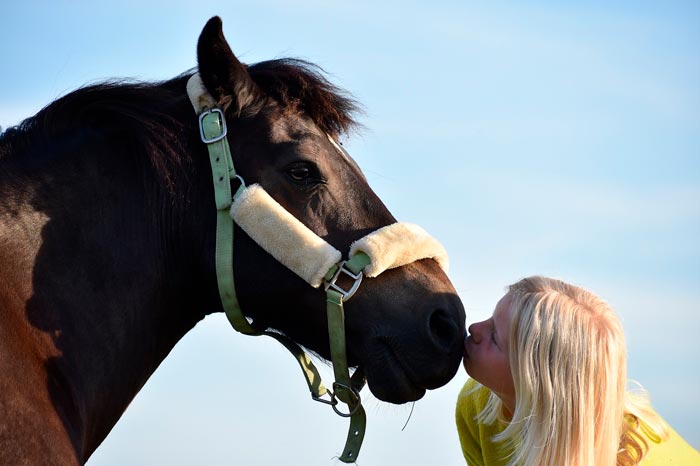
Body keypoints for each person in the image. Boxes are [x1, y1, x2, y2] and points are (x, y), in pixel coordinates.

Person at [456, 276, 699, 466]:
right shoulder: (476, 406)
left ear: (537, 380)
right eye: (490, 319)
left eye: (495, 338)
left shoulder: (632, 457)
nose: (474, 328)